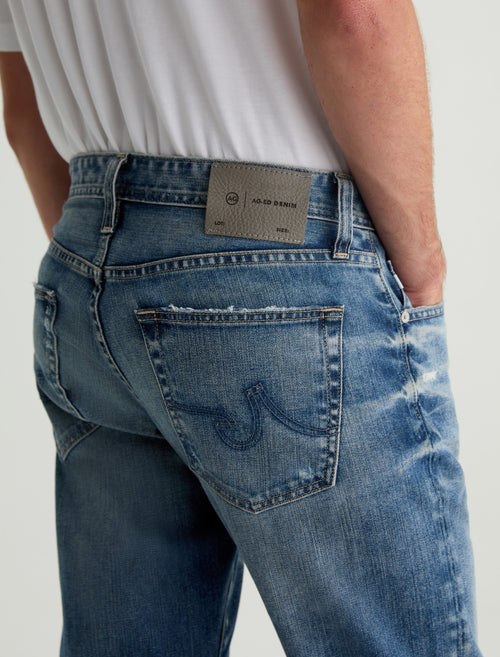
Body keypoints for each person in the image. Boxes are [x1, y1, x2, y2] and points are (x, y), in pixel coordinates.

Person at [0, 1, 482, 656]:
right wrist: (422, 264)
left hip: (85, 275)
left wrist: (115, 257)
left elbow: (21, 103)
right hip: (282, 260)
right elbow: (355, 14)